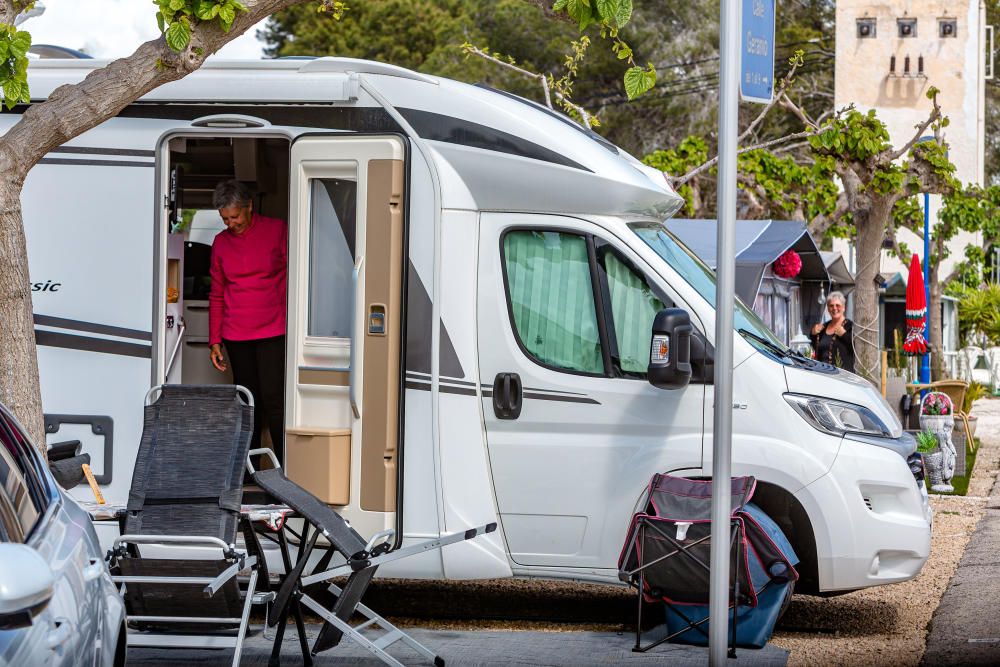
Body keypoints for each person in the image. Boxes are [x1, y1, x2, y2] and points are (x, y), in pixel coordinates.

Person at [208, 180, 288, 463]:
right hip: (235, 332)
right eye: (225, 219)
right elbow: (217, 292)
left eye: (235, 216)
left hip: (273, 328)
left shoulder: (277, 231)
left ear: (249, 207)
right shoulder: (220, 243)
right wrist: (214, 340)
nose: (231, 224)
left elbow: (297, 277)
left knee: (274, 399)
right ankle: (249, 469)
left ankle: (284, 467)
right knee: (247, 402)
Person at [810, 291, 855, 373]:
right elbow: (815, 347)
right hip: (822, 373)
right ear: (827, 308)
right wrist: (813, 334)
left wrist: (844, 335)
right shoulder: (823, 327)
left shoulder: (850, 326)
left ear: (844, 307)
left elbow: (856, 348)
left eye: (838, 305)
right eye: (831, 306)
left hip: (842, 374)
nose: (834, 308)